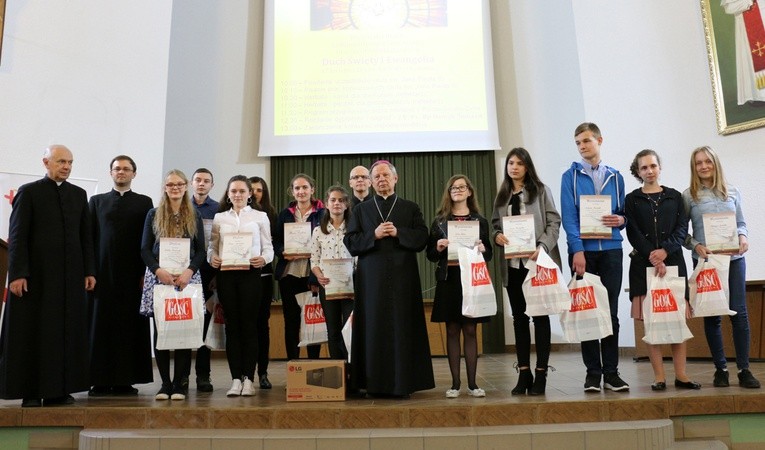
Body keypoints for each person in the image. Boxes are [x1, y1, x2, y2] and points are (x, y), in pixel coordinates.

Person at [0, 145, 96, 408]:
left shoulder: (79, 195)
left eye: (70, 162)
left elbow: (85, 237)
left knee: (65, 333)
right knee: (35, 333)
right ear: (46, 162)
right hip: (36, 280)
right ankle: (31, 391)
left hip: (70, 280)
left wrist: (89, 270)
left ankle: (60, 390)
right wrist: (18, 274)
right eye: (61, 161)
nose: (66, 166)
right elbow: (17, 236)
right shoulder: (29, 192)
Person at [344, 160, 434, 397]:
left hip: (404, 278)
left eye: (386, 175)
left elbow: (422, 237)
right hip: (371, 280)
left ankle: (403, 384)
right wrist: (373, 235)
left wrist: (399, 233)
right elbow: (350, 242)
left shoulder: (410, 207)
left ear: (396, 178)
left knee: (402, 326)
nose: (381, 179)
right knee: (373, 327)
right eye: (377, 177)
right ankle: (374, 384)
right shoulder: (361, 211)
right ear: (371, 183)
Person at [683, 145, 760, 388]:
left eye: (708, 161)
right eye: (699, 163)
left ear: (715, 163)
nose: (704, 166)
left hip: (734, 260)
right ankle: (721, 369)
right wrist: (696, 246)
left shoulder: (733, 191)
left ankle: (744, 370)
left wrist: (744, 237)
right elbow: (681, 234)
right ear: (694, 167)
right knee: (713, 314)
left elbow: (741, 223)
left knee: (739, 312)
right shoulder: (688, 195)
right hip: (706, 262)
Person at [560, 122, 629, 392]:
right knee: (588, 312)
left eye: (586, 141)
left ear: (599, 140)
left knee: (610, 312)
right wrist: (577, 249)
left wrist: (620, 219)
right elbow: (569, 216)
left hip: (611, 250)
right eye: (578, 143)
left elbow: (623, 214)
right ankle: (592, 373)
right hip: (583, 254)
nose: (582, 146)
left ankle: (611, 373)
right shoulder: (570, 177)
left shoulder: (616, 176)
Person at [625, 149, 700, 391]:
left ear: (660, 167)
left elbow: (681, 229)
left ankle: (682, 375)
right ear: (638, 171)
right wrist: (653, 257)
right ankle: (659, 377)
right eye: (644, 167)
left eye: (653, 166)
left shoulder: (675, 196)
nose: (649, 171)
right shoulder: (631, 199)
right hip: (644, 266)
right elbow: (633, 232)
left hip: (674, 264)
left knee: (676, 321)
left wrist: (665, 252)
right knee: (653, 323)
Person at [492, 148, 561, 395]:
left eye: (519, 163)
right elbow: (494, 225)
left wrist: (542, 247)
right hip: (512, 267)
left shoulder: (541, 191)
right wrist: (496, 236)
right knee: (520, 319)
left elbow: (554, 222)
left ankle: (541, 374)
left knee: (540, 317)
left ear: (527, 167)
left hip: (536, 264)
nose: (514, 167)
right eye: (511, 163)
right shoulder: (502, 195)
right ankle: (524, 373)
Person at [88, 155, 154, 397]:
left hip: (132, 276)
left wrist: (145, 274)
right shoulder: (96, 202)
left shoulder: (144, 202)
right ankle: (99, 381)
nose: (121, 172)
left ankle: (126, 380)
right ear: (111, 173)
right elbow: (88, 239)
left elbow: (149, 241)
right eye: (117, 169)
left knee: (129, 327)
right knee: (100, 326)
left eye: (126, 169)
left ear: (134, 174)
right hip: (102, 276)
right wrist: (90, 271)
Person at [139, 169, 206, 401]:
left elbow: (201, 251)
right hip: (160, 279)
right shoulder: (153, 214)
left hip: (187, 279)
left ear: (186, 186)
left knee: (183, 331)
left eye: (179, 184)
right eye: (170, 185)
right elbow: (145, 249)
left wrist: (190, 271)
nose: (175, 188)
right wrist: (159, 270)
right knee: (162, 331)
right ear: (165, 187)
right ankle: (165, 384)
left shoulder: (194, 214)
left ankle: (179, 384)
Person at [427, 175, 492, 398]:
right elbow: (430, 255)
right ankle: (455, 384)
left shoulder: (479, 221)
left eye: (462, 187)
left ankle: (473, 384)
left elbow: (489, 254)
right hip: (449, 280)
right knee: (452, 330)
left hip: (472, 281)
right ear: (449, 192)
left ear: (469, 191)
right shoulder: (439, 221)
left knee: (471, 329)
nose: (458, 190)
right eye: (454, 187)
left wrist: (484, 248)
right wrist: (438, 247)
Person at [208, 175, 274, 397]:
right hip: (227, 277)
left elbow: (269, 248)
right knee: (232, 327)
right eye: (233, 191)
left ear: (249, 194)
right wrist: (212, 258)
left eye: (241, 191)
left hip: (251, 276)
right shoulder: (219, 218)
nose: (237, 195)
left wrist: (263, 259)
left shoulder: (260, 216)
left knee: (249, 325)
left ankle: (249, 378)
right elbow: (212, 247)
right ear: (228, 194)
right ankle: (235, 378)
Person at [273, 174, 324, 360]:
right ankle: (294, 366)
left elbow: (324, 244)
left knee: (313, 321)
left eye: (305, 187)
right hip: (290, 274)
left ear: (312, 190)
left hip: (312, 275)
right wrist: (282, 252)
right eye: (297, 188)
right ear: (292, 191)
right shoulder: (285, 213)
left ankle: (312, 365)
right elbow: (277, 241)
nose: (301, 191)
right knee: (291, 322)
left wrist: (315, 277)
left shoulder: (322, 213)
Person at [311, 185, 355, 361]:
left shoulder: (353, 230)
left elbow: (359, 256)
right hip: (327, 286)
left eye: (341, 200)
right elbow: (314, 260)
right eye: (333, 200)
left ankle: (353, 372)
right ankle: (339, 369)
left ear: (346, 205)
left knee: (350, 329)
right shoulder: (318, 231)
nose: (337, 203)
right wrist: (319, 275)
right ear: (327, 204)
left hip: (350, 287)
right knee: (333, 330)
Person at [190, 168, 219, 393]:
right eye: (198, 180)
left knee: (205, 326)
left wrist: (217, 276)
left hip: (208, 274)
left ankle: (203, 375)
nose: (201, 184)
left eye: (206, 181)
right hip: (183, 273)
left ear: (211, 185)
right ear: (191, 183)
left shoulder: (218, 210)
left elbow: (222, 244)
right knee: (183, 323)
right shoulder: (182, 207)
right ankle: (181, 377)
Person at [249, 176, 276, 389]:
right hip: (239, 275)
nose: (255, 193)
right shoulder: (230, 215)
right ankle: (244, 374)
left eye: (259, 190)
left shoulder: (271, 215)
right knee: (245, 326)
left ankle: (263, 372)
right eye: (252, 189)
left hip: (264, 276)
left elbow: (272, 246)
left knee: (262, 325)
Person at [722, 0, 765, 105]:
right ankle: (759, 96)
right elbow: (729, 8)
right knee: (751, 62)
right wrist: (749, 2)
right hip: (748, 26)